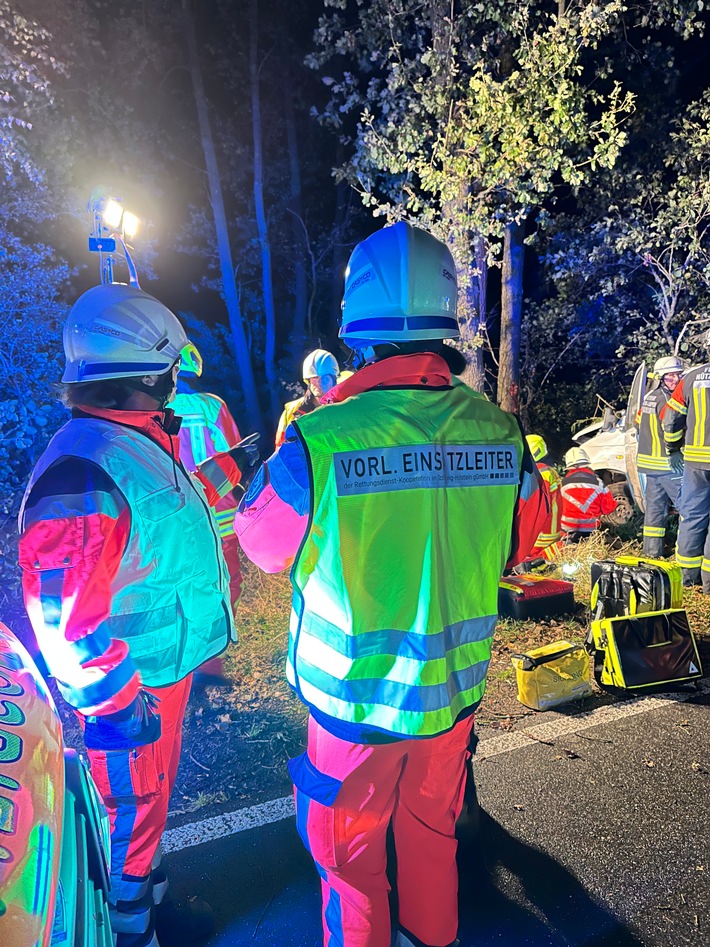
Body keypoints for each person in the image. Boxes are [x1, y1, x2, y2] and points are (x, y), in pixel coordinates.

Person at [235, 222, 549, 947]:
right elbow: (525, 537)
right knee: (433, 838)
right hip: (451, 701)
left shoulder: (319, 439)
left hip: (353, 708)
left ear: (359, 334)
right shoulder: (501, 433)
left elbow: (262, 546)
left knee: (350, 864)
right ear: (445, 328)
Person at [18, 283, 258, 947]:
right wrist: (116, 702)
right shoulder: (85, 470)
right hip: (130, 696)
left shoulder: (123, 443)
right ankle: (131, 935)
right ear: (149, 375)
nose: (178, 384)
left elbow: (161, 520)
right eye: (173, 372)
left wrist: (226, 473)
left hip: (154, 682)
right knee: (128, 818)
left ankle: (155, 904)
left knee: (145, 816)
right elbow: (62, 618)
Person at [172, 355, 245, 683]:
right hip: (219, 515)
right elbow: (235, 451)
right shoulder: (212, 407)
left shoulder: (156, 409)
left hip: (176, 519)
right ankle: (210, 663)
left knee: (182, 586)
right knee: (226, 585)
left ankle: (185, 661)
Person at [662, 357, 710, 589]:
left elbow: (671, 419)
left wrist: (673, 449)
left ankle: (688, 581)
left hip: (695, 463)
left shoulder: (691, 377)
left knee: (692, 517)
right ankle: (709, 584)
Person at [634, 355, 684, 557]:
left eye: (679, 375)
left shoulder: (650, 397)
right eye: (671, 376)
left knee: (654, 514)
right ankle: (685, 555)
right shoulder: (668, 400)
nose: (677, 380)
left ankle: (651, 555)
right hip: (668, 465)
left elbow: (638, 423)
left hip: (650, 467)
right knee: (689, 510)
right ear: (661, 378)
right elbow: (671, 427)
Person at [275, 348, 339, 447]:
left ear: (334, 379)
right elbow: (281, 448)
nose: (318, 382)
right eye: (314, 377)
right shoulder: (292, 411)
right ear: (308, 380)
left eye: (325, 377)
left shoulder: (343, 406)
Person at [560, 446, 617, 542]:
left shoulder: (561, 485)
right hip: (590, 531)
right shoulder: (599, 484)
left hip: (566, 529)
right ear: (587, 464)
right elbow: (609, 509)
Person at [524, 433, 563, 563]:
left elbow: (534, 506)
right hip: (553, 532)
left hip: (539, 535)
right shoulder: (550, 472)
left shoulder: (537, 474)